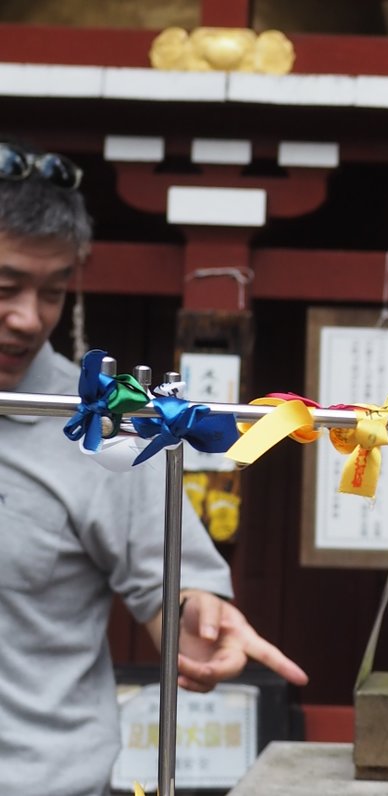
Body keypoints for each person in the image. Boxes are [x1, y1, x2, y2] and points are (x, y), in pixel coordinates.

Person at [0, 140, 308, 794]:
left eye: (52, 292)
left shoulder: (102, 423)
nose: (27, 319)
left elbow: (172, 596)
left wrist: (198, 619)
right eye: (6, 287)